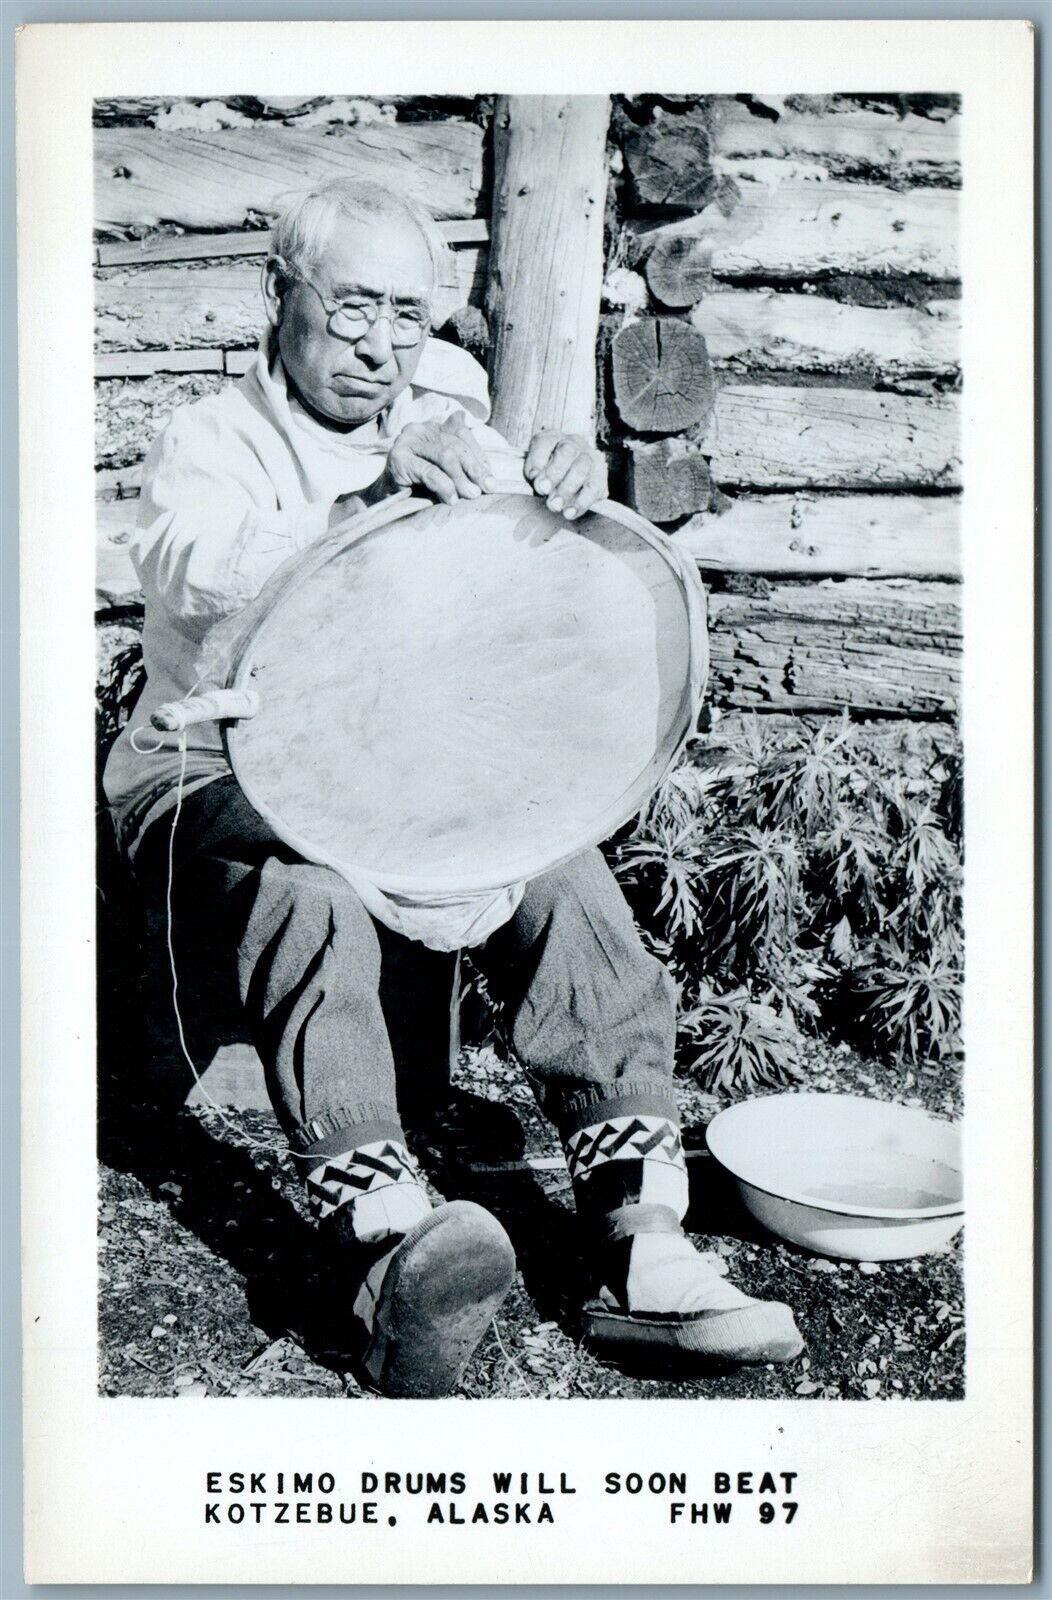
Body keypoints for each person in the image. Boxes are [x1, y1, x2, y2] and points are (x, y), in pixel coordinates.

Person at [104, 177, 804, 1396]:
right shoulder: (211, 440)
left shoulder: (449, 408)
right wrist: (361, 493)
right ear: (281, 298)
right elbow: (195, 566)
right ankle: (385, 1248)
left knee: (557, 861)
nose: (381, 342)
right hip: (202, 772)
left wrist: (555, 496)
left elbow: (504, 607)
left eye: (408, 314)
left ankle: (637, 1235)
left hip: (393, 770)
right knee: (308, 891)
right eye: (354, 304)